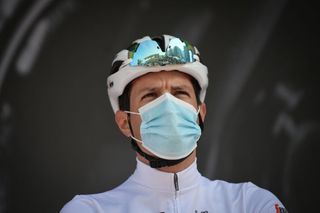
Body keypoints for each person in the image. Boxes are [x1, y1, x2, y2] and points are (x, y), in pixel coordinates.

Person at [60, 34, 287, 212]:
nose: (168, 104)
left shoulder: (251, 204)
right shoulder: (88, 210)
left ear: (200, 114)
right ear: (124, 122)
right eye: (150, 95)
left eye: (179, 93)